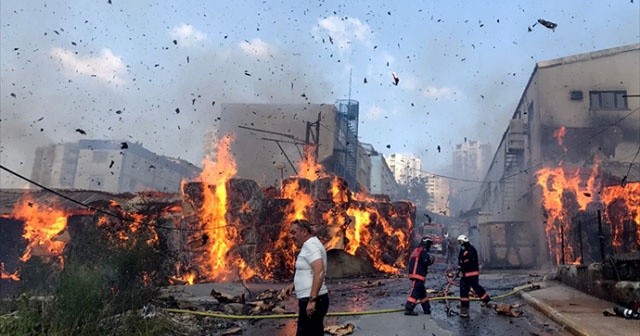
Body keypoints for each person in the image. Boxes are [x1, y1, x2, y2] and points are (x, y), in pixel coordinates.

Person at [280, 219, 330, 336]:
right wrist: (293, 285)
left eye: (294, 232)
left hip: (313, 299)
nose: (292, 236)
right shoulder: (311, 244)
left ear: (304, 231)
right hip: (314, 298)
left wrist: (312, 300)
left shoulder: (310, 246)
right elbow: (309, 271)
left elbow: (319, 272)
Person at [455, 234, 490, 318]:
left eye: (461, 242)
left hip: (472, 274)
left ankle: (486, 299)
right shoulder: (462, 250)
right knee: (463, 289)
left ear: (465, 241)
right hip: (464, 275)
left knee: (476, 287)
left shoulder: (471, 249)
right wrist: (459, 270)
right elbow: (460, 260)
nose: (460, 244)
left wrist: (464, 259)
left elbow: (468, 259)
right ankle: (464, 307)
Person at [404, 236, 435, 316]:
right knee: (415, 291)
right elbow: (425, 261)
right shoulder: (423, 250)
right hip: (418, 274)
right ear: (426, 243)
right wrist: (431, 260)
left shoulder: (416, 250)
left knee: (422, 293)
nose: (429, 246)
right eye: (429, 244)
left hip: (415, 273)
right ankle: (409, 308)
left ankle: (426, 309)